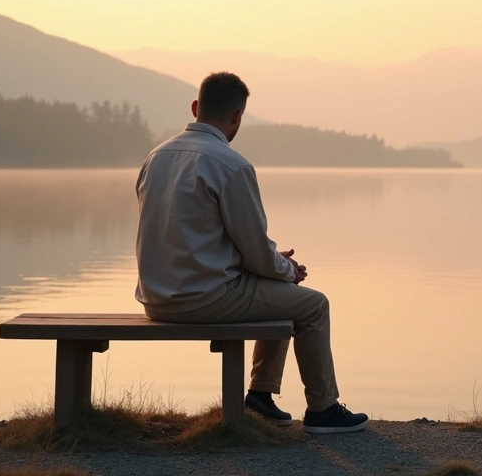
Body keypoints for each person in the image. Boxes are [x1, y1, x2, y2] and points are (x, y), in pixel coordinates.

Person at [134, 71, 368, 434]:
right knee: (311, 304)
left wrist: (273, 266)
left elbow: (200, 241)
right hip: (202, 298)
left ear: (196, 107)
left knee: (274, 289)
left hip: (155, 297)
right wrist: (287, 269)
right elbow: (256, 251)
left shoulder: (157, 157)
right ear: (237, 116)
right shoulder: (230, 164)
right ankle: (323, 410)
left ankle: (260, 396)